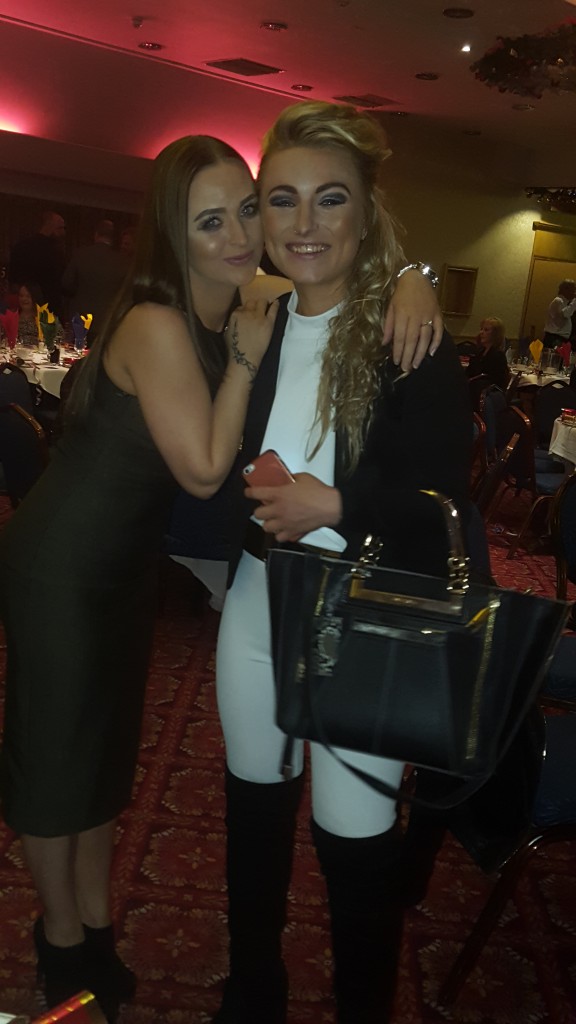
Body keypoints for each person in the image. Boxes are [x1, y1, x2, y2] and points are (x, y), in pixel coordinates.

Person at [0, 131, 441, 1022]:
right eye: (222, 218)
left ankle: (98, 926)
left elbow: (335, 263)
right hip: (83, 565)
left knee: (105, 758)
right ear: (176, 232)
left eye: (248, 208)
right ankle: (75, 942)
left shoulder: (272, 307)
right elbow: (207, 470)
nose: (248, 233)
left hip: (156, 569)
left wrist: (413, 273)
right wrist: (246, 360)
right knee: (65, 762)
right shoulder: (198, 323)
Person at [214, 101, 472, 1024]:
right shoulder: (255, 322)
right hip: (257, 603)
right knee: (253, 822)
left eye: (331, 199)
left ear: (366, 210)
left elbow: (446, 505)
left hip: (367, 620)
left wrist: (338, 505)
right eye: (282, 200)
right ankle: (253, 996)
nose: (306, 224)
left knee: (352, 847)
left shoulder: (407, 337)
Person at [61, 219, 127, 341]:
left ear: (96, 234)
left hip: (80, 318)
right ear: (113, 238)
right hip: (106, 321)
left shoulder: (81, 254)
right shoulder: (122, 261)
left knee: (76, 350)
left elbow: (67, 283)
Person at [8, 211, 67, 319]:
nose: (63, 232)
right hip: (50, 306)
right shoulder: (55, 251)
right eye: (60, 228)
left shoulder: (21, 247)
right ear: (49, 226)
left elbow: (13, 279)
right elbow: (61, 280)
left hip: (26, 305)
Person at [467, 316, 510, 390]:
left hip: (487, 393)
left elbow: (498, 381)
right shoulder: (480, 352)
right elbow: (470, 372)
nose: (481, 332)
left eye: (486, 330)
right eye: (481, 329)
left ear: (495, 334)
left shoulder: (498, 355)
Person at [543, 279, 576, 348]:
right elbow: (565, 315)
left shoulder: (564, 302)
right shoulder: (558, 301)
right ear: (565, 289)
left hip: (558, 338)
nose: (574, 293)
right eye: (573, 290)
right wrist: (574, 302)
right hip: (555, 339)